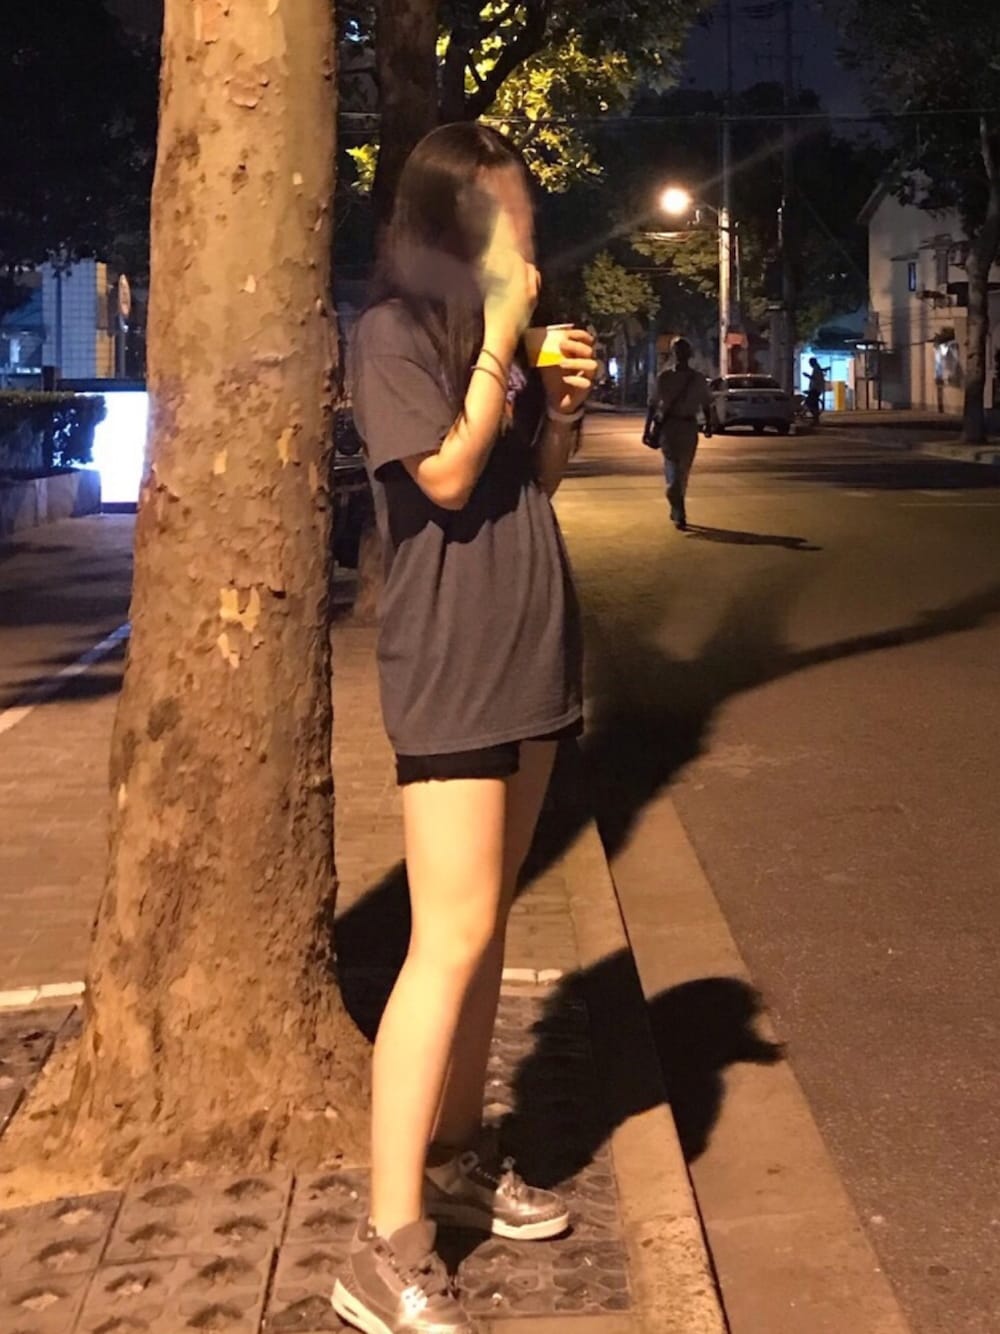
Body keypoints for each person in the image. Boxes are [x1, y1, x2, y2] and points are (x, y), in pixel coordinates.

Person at [334, 123, 598, 1334]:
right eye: (499, 213)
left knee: (485, 935)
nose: (521, 231)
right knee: (443, 940)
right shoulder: (392, 333)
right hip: (448, 664)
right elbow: (440, 479)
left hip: (529, 653)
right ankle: (385, 1240)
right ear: (445, 226)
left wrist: (561, 413)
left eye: (524, 210)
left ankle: (453, 1156)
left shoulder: (481, 341)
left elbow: (521, 486)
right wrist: (502, 336)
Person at [645, 338, 711, 531]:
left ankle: (677, 506)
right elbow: (653, 404)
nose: (680, 354)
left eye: (683, 350)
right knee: (672, 469)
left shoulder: (698, 379)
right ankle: (678, 507)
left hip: (689, 427)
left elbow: (706, 403)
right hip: (669, 426)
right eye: (677, 350)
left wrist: (709, 424)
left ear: (689, 354)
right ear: (673, 353)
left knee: (683, 470)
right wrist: (647, 429)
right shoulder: (664, 377)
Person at [805, 356, 827, 426]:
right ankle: (816, 419)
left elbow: (815, 378)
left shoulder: (816, 369)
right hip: (816, 389)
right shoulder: (817, 368)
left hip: (815, 389)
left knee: (810, 403)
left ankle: (815, 418)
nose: (810, 364)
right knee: (814, 404)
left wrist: (807, 376)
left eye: (810, 363)